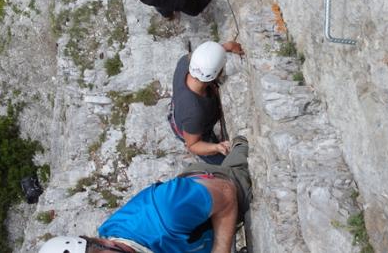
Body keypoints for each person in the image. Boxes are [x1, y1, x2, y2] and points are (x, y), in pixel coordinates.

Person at [38, 136, 252, 253]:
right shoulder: (114, 244)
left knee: (243, 180)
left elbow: (225, 192)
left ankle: (239, 145)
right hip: (192, 221)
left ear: (103, 242)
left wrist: (221, 249)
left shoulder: (165, 215)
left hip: (217, 188)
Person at [169, 40, 243, 165]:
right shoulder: (194, 111)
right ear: (216, 74)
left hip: (182, 111)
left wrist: (225, 47)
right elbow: (192, 144)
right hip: (192, 132)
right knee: (229, 165)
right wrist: (216, 147)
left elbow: (205, 59)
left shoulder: (185, 61)